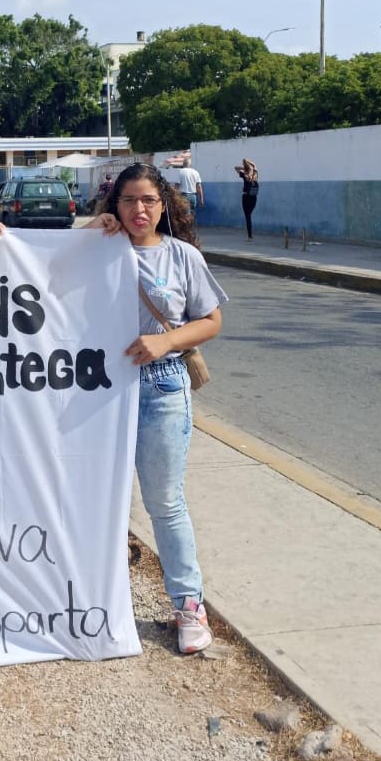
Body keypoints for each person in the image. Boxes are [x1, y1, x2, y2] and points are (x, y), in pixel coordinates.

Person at [95, 163, 227, 654]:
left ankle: (188, 605)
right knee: (96, 500)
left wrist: (166, 340)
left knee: (164, 502)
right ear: (116, 204)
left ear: (164, 203)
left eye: (149, 200)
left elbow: (211, 320)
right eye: (128, 200)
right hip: (100, 389)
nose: (139, 210)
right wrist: (93, 229)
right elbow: (45, 265)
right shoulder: (99, 248)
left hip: (161, 387)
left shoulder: (183, 257)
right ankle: (95, 601)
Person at [234, 159, 259, 239]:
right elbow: (254, 165)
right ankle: (250, 235)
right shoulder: (255, 174)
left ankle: (250, 236)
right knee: (249, 215)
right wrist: (248, 162)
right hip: (253, 197)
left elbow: (236, 168)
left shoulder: (245, 175)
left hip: (245, 197)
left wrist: (244, 167)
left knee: (247, 216)